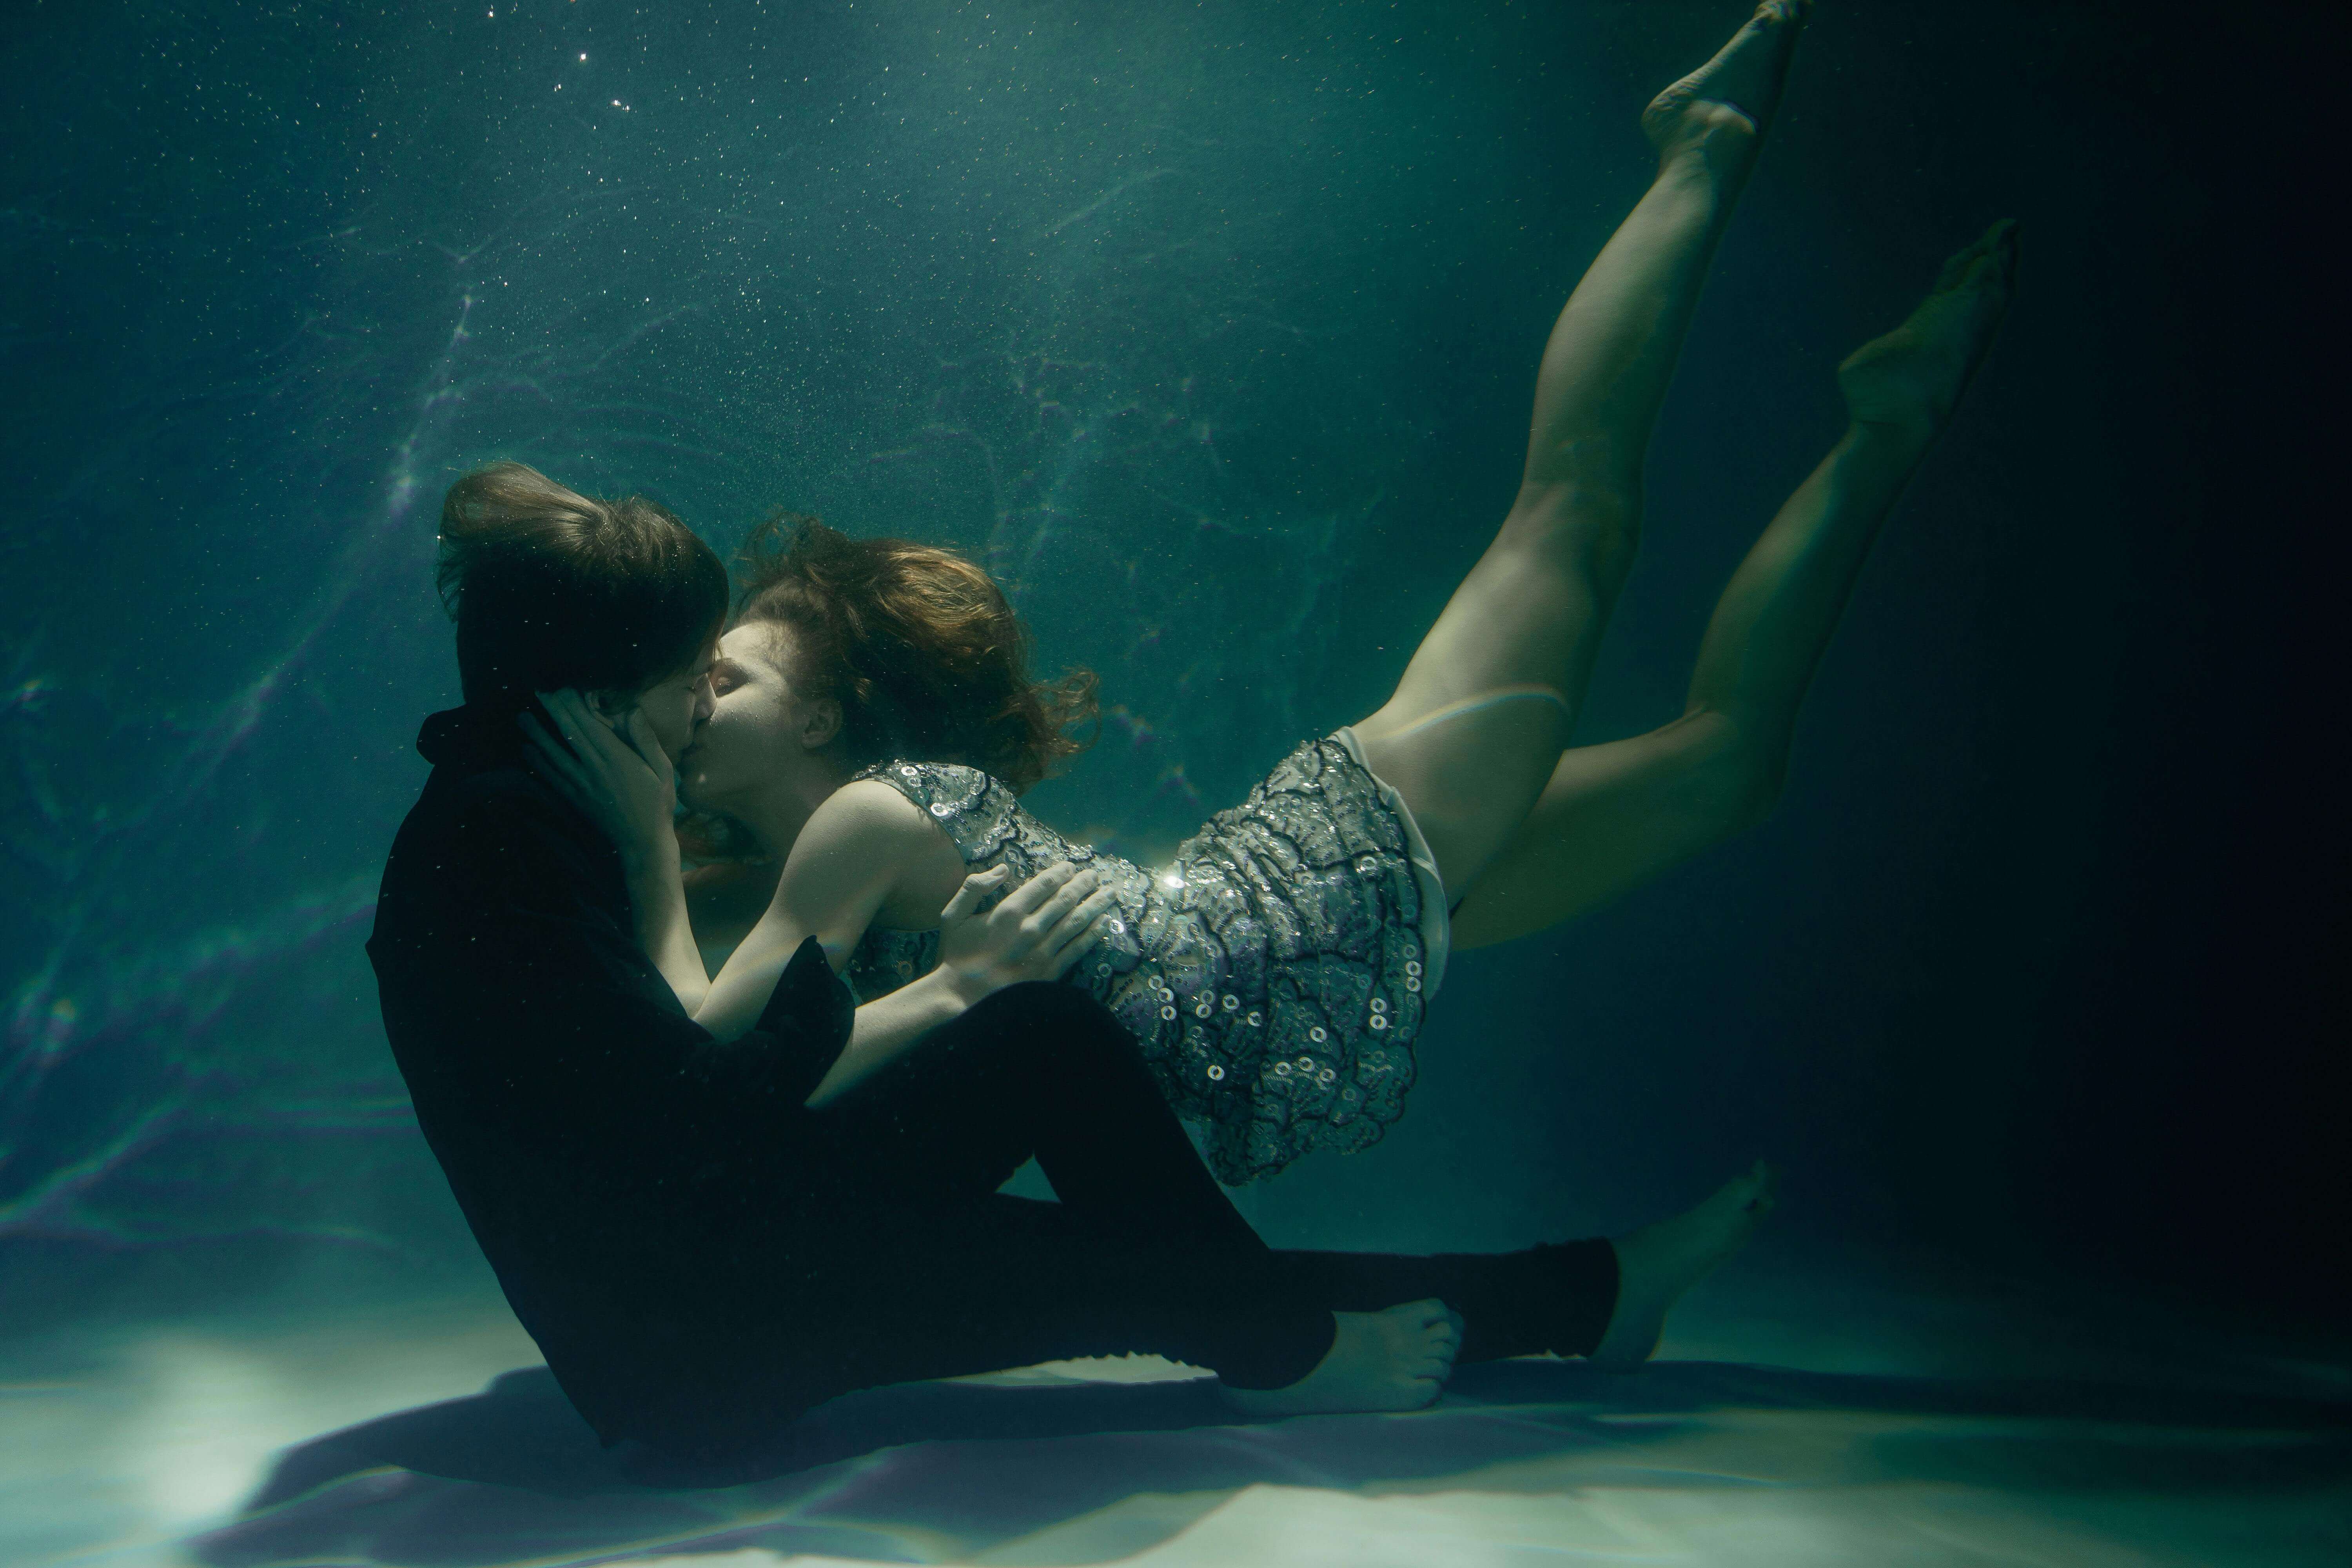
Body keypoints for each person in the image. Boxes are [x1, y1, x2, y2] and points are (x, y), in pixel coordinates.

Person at [535, 0, 2017, 1175]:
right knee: (1731, 768)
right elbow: (749, 1080)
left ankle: (1697, 144)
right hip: (1322, 953)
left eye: (725, 674)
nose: (691, 695)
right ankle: (1886, 431)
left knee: (1574, 518)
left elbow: (709, 1062)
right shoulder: (830, 872)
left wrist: (642, 841)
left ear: (826, 717)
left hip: (1314, 891)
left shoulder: (859, 828)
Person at [374, 461, 1777, 1473]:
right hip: (707, 1336)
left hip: (717, 1258)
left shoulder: (538, 798)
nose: (698, 706)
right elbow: (694, 1105)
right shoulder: (518, 843)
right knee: (1138, 1257)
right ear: (606, 687)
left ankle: (1569, 1296)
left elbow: (678, 1100)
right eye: (694, 672)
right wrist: (933, 981)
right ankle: (1324, 1343)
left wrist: (932, 982)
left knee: (1071, 1092)